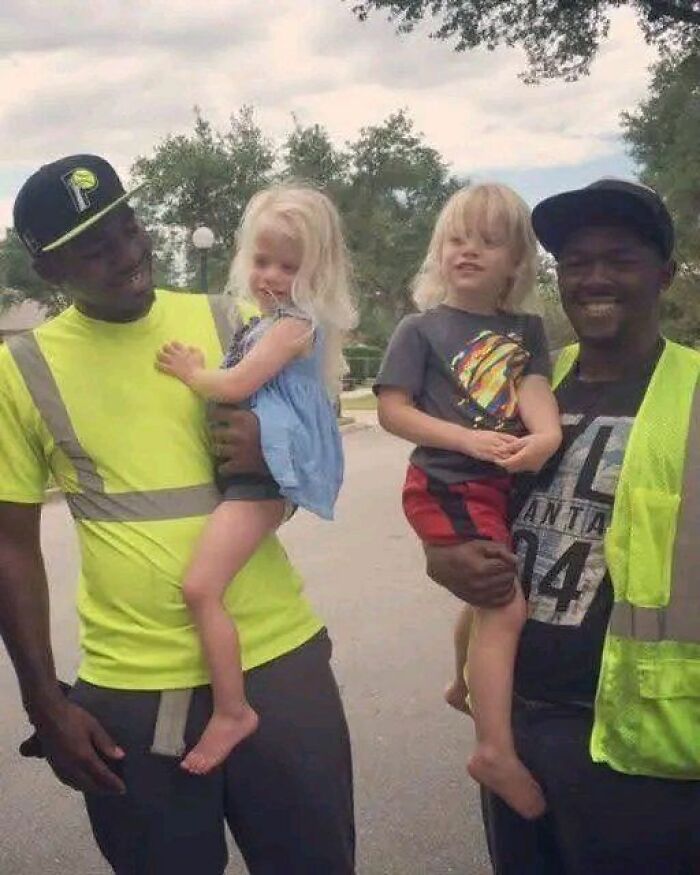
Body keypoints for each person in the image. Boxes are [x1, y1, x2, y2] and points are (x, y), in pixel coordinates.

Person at [0, 155, 355, 874]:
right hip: (129, 688)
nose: (127, 254)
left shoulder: (230, 320)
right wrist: (44, 702)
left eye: (128, 226)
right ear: (49, 272)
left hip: (277, 661)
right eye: (94, 247)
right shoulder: (21, 368)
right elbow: (9, 547)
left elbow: (317, 454)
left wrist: (274, 450)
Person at [426, 178, 700, 874]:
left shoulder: (694, 393)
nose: (596, 277)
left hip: (642, 748)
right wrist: (443, 554)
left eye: (621, 258)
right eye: (577, 261)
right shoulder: (528, 382)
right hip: (516, 721)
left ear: (665, 273)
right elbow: (461, 495)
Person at [154, 184, 356, 775]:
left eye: (289, 266)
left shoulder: (292, 329)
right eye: (263, 260)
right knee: (204, 587)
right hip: (249, 477)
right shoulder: (267, 321)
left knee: (199, 589)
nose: (271, 275)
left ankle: (233, 710)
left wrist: (191, 372)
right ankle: (232, 705)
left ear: (318, 271)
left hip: (261, 483)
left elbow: (238, 385)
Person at [374, 183, 561, 819]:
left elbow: (534, 392)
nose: (469, 251)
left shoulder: (525, 328)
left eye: (488, 241)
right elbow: (393, 412)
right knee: (506, 607)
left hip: (498, 483)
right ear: (439, 251)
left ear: (516, 262)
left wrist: (546, 437)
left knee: (488, 594)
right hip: (447, 479)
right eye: (457, 238)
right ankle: (492, 749)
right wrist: (467, 440)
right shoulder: (421, 329)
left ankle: (463, 685)